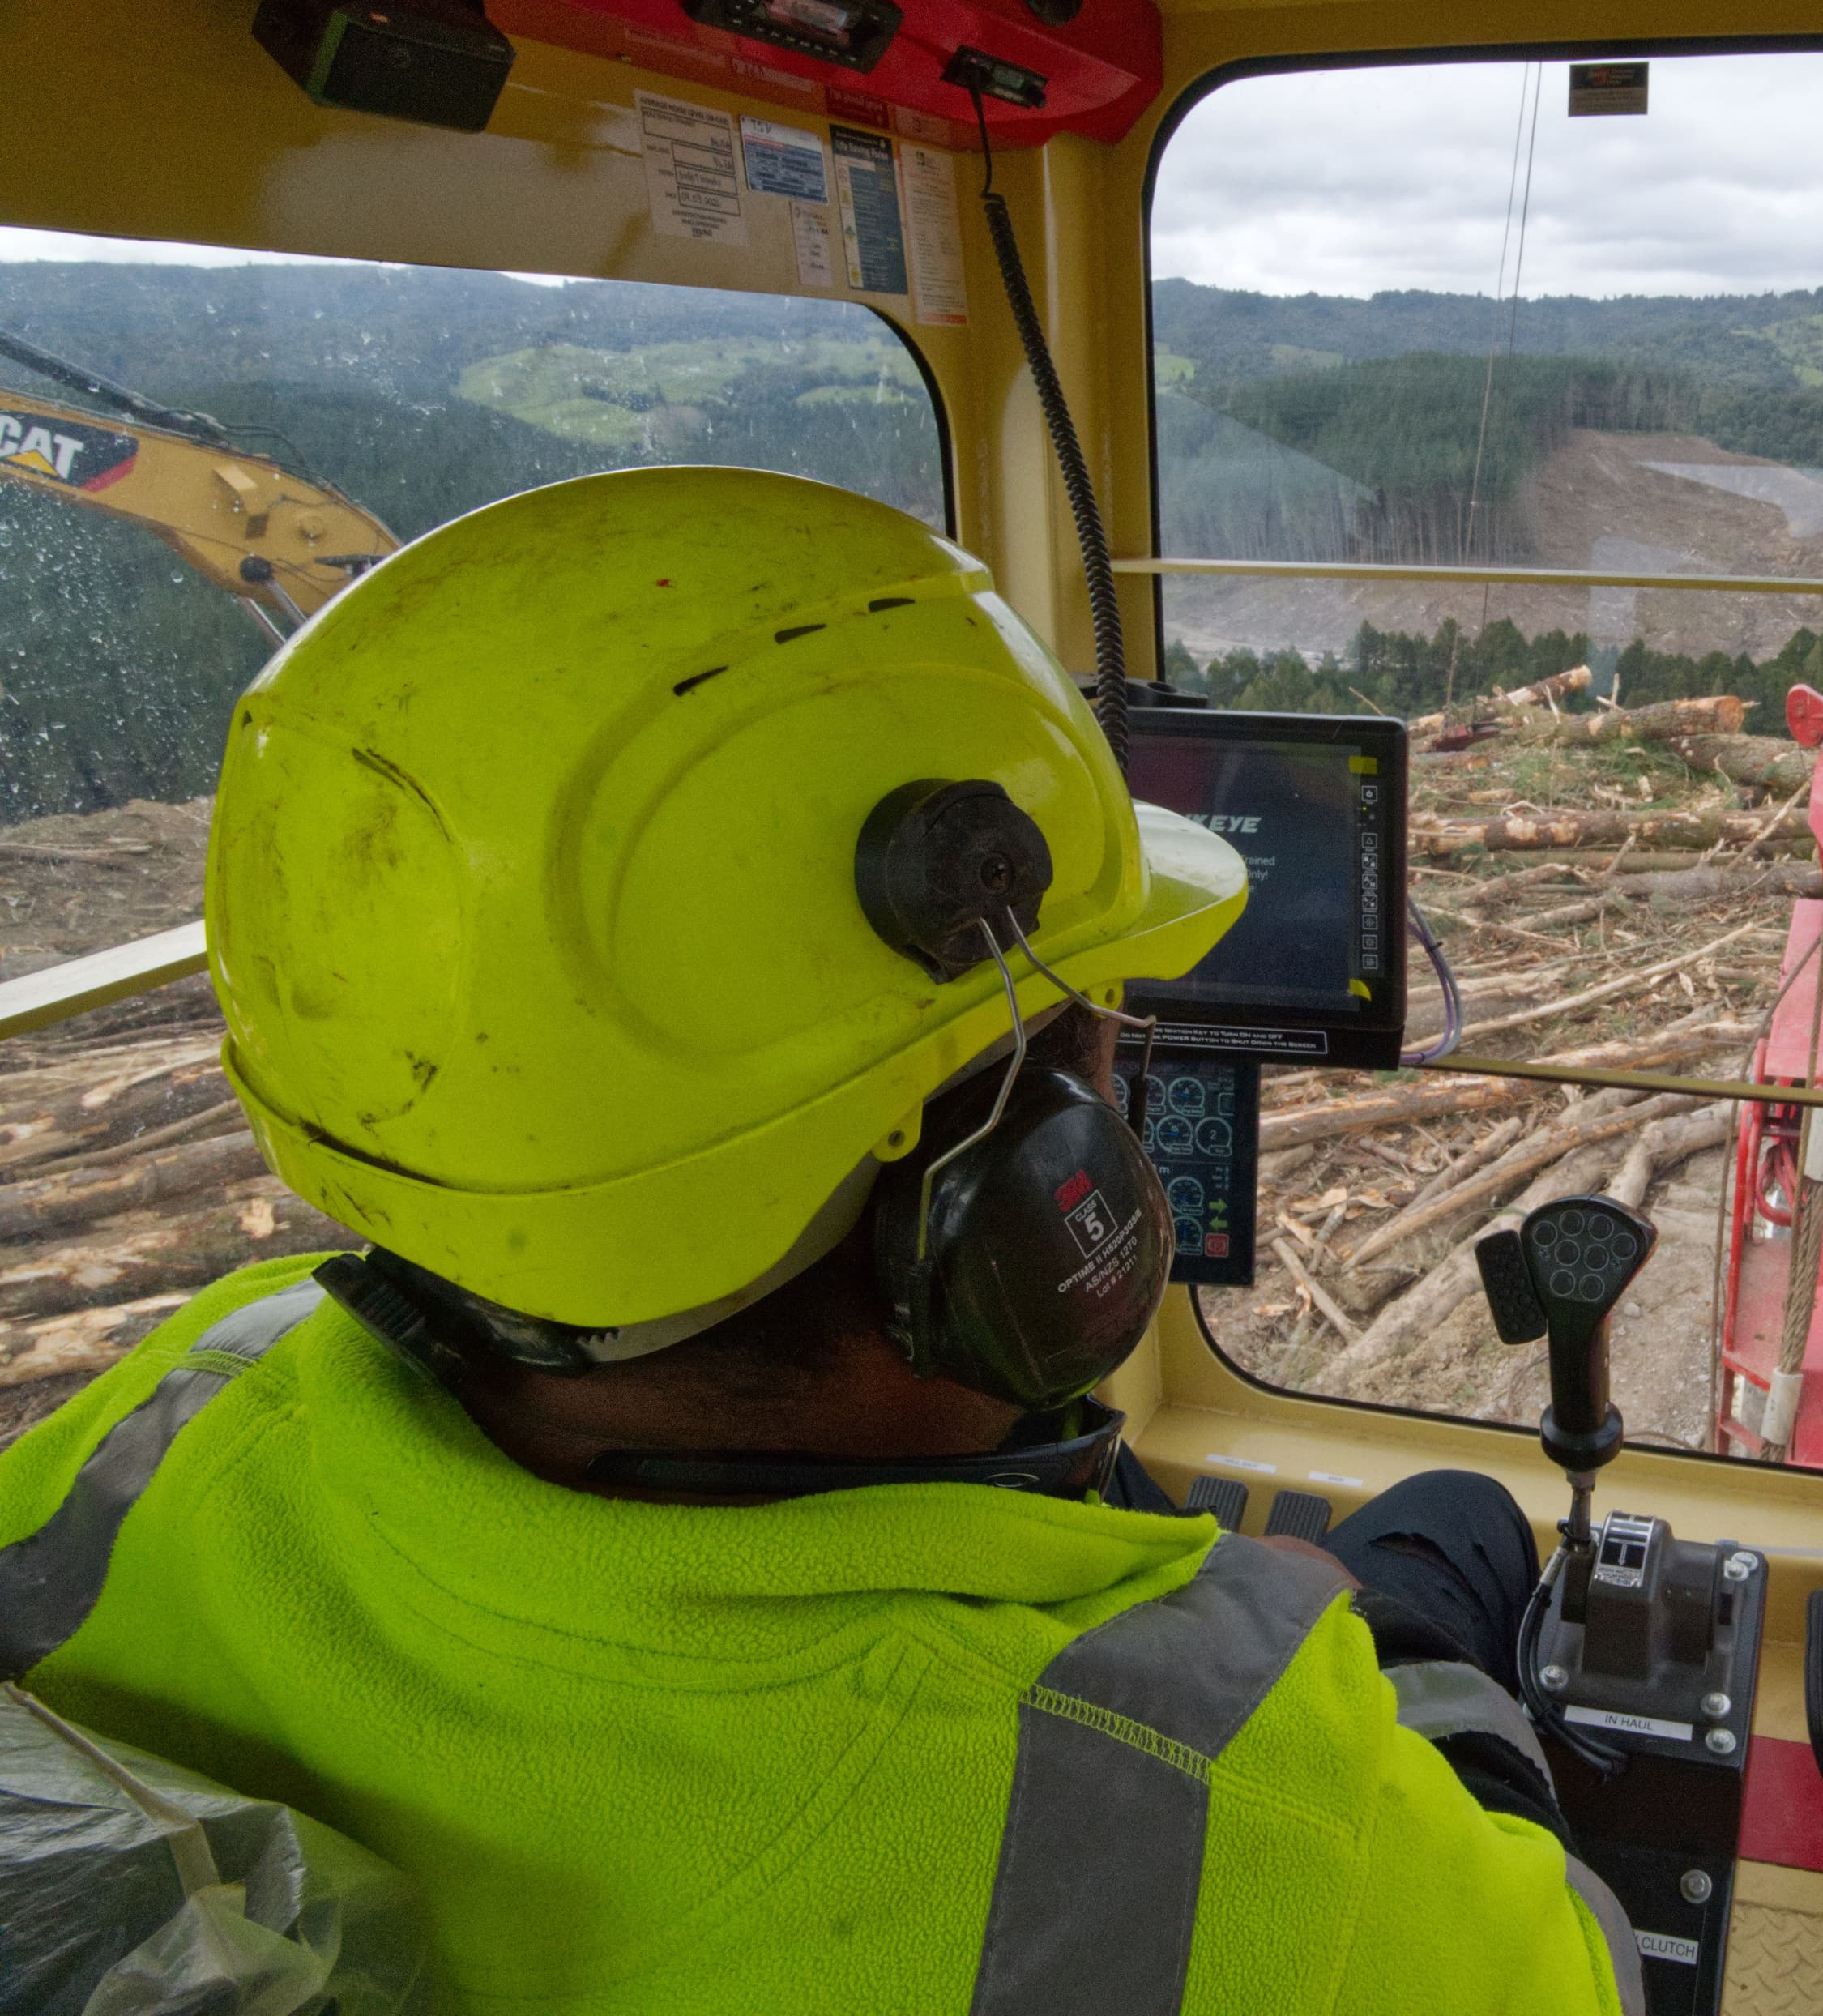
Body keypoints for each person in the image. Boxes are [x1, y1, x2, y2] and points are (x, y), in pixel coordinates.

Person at [0, 469, 1639, 2015]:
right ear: (1029, 1205)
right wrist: (1358, 1662)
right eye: (1100, 1047)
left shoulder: (171, 1405)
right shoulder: (1230, 1808)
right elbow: (1587, 1973)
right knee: (1450, 1533)